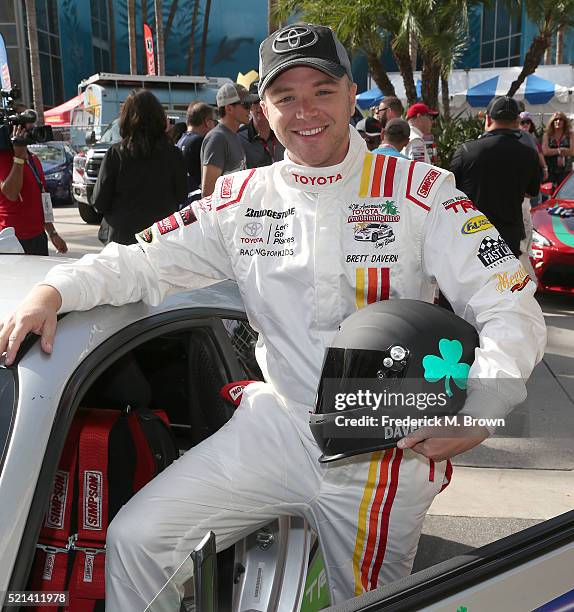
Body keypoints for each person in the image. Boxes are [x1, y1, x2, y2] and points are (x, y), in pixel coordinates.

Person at [0, 24, 546, 611]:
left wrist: (479, 408)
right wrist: (53, 290)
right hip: (280, 426)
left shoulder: (424, 191)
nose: (305, 111)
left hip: (383, 452)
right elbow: (139, 262)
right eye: (286, 96)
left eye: (322, 90)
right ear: (263, 110)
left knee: (368, 604)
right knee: (138, 540)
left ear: (350, 93)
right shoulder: (240, 199)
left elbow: (510, 302)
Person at [91, 89, 188, 245]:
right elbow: (182, 196)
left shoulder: (116, 154)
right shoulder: (174, 154)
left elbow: (99, 201)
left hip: (123, 241)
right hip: (162, 239)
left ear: (126, 119)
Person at [450, 96, 540, 259]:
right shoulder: (529, 154)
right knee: (504, 283)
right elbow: (532, 192)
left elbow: (450, 191)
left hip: (472, 232)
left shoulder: (466, 150)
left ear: (488, 118)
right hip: (509, 234)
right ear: (516, 121)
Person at [0, 124, 67, 255]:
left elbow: (43, 198)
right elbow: (11, 193)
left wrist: (52, 233)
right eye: (25, 128)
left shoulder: (33, 159)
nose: (31, 131)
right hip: (12, 240)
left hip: (38, 237)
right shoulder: (2, 159)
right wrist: (18, 158)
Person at [200, 82, 258, 197]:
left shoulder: (233, 135)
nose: (250, 109)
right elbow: (207, 193)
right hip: (223, 213)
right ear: (229, 108)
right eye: (246, 105)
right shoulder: (217, 138)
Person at [177, 102, 217, 204]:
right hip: (196, 202)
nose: (215, 125)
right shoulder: (200, 142)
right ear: (207, 122)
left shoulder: (180, 140)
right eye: (214, 121)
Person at [238, 82, 285, 167]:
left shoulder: (283, 132)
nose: (260, 105)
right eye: (255, 101)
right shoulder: (239, 138)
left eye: (262, 100)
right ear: (250, 106)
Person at [542, 112, 574, 188]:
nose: (558, 121)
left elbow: (572, 152)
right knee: (548, 193)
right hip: (551, 170)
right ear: (552, 122)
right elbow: (545, 151)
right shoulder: (547, 135)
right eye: (556, 119)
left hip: (566, 170)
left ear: (565, 122)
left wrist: (552, 151)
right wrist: (561, 150)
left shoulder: (570, 134)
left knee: (564, 194)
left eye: (561, 119)